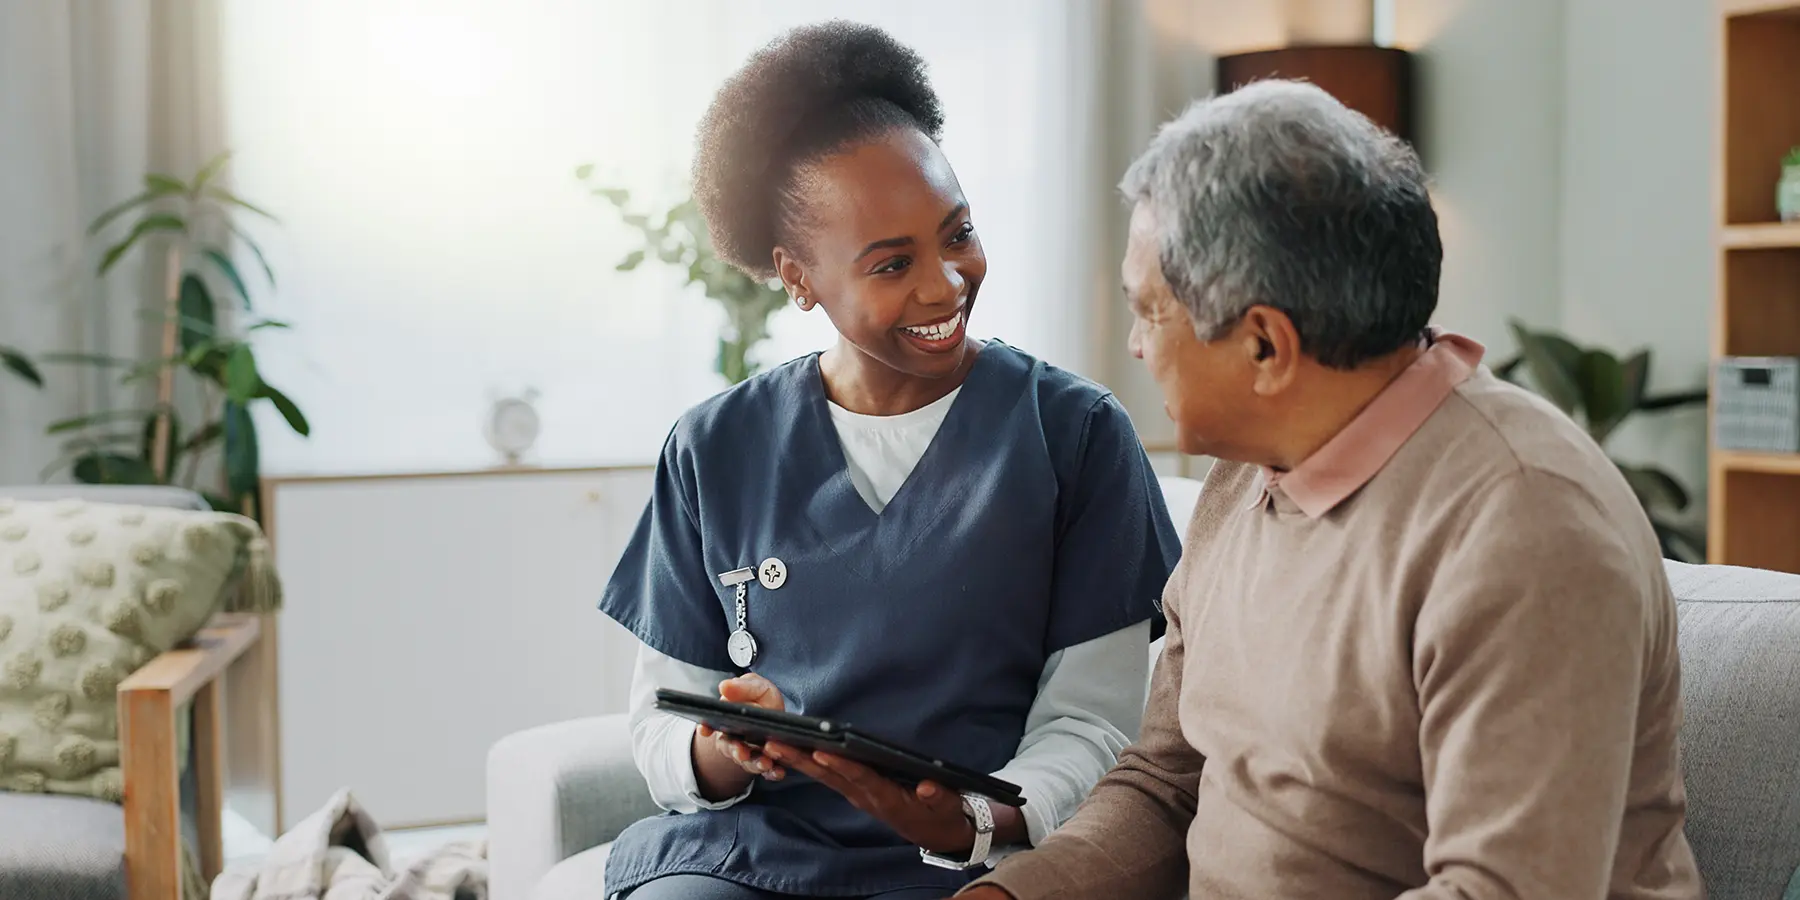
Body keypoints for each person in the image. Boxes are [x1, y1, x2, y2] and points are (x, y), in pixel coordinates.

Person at [958, 80, 1704, 900]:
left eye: (1148, 312)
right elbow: (1167, 782)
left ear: (1267, 347)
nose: (1134, 346)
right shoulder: (1246, 472)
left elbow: (1504, 890)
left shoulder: (1526, 526)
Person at [596, 21, 1183, 900]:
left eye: (957, 234)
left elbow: (1097, 727)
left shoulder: (1077, 435)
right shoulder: (712, 450)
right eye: (890, 263)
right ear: (799, 277)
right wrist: (721, 752)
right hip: (759, 861)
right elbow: (660, 723)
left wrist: (977, 820)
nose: (944, 284)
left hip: (978, 861)